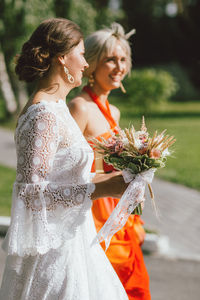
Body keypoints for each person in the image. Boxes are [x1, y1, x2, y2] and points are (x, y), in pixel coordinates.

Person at [0, 18, 129, 300]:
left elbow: (71, 179)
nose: (85, 64)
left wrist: (124, 181)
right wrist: (101, 189)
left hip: (77, 243)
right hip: (54, 254)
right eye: (82, 54)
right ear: (62, 57)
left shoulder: (57, 108)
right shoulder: (43, 115)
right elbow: (32, 195)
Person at [68, 23, 151, 300]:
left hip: (118, 207)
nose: (119, 67)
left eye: (123, 59)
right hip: (92, 209)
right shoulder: (79, 107)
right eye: (110, 60)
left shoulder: (113, 110)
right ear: (90, 64)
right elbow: (65, 169)